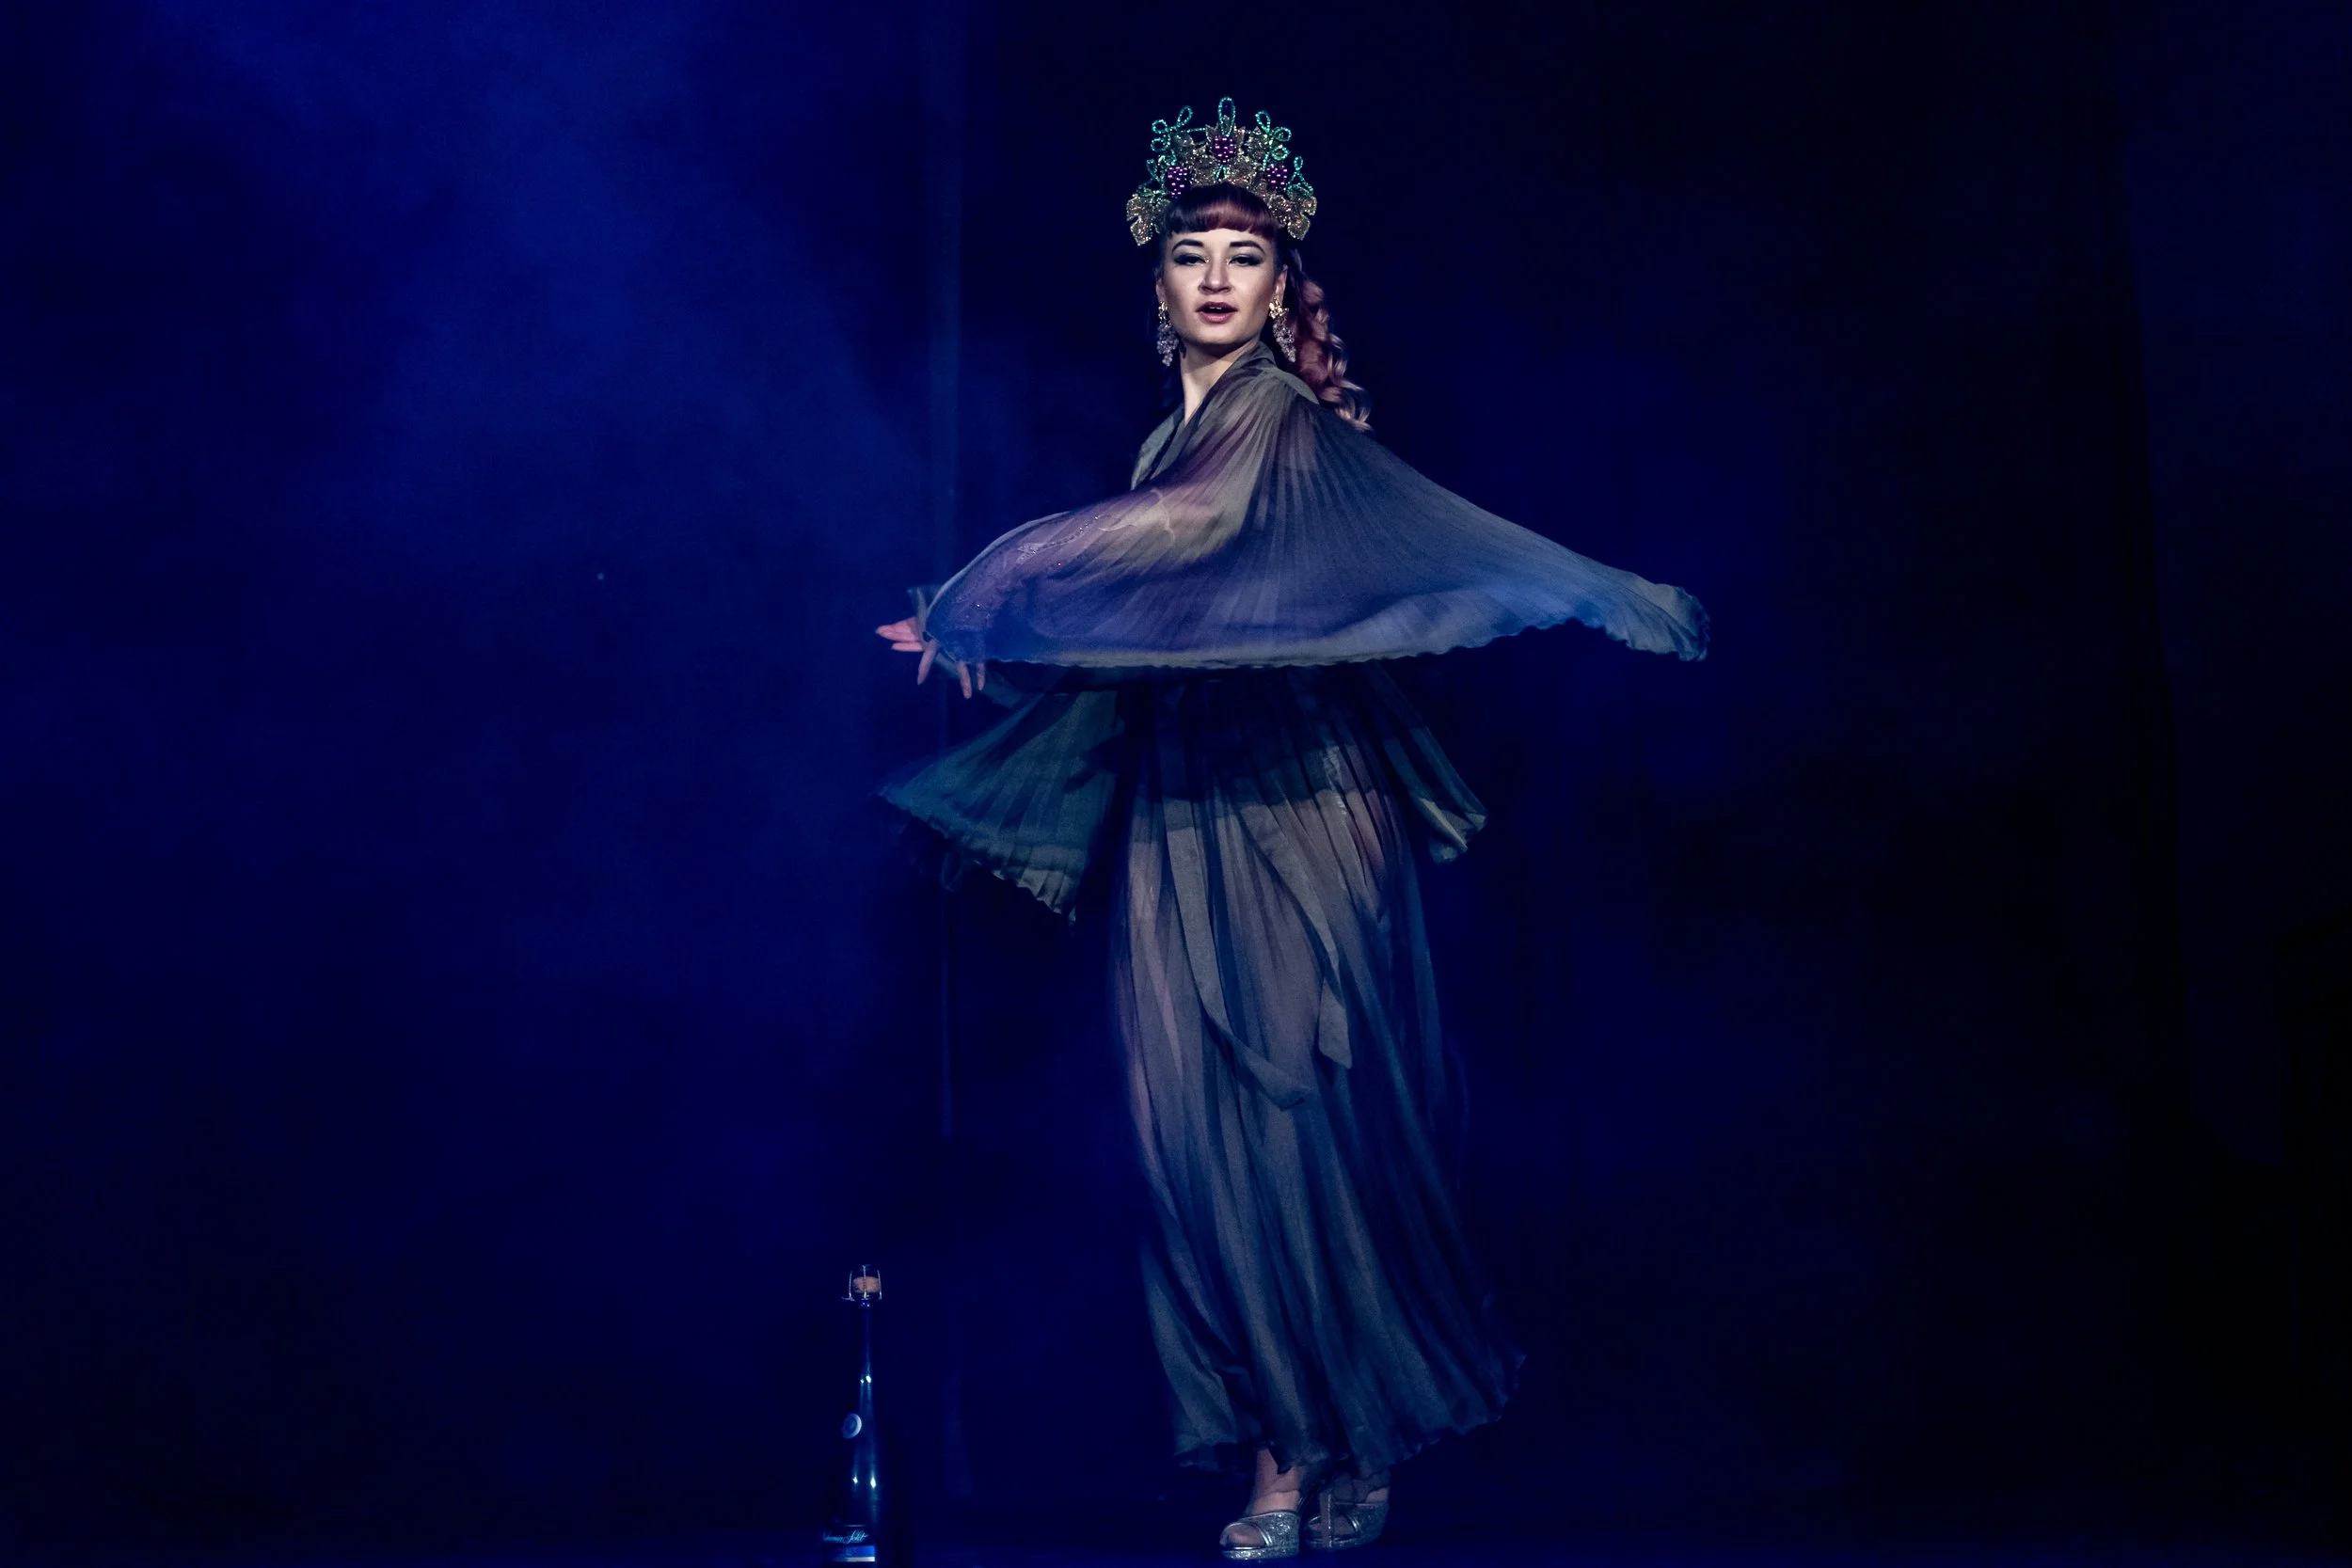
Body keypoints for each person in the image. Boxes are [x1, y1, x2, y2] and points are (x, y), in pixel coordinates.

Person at [877, 99, 1707, 1560]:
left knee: (1289, 1129)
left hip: (1299, 822)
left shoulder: (1271, 423)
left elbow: (1175, 544)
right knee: (1181, 1145)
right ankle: (1304, 1440)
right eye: (1189, 253)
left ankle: (1312, 1450)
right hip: (1183, 823)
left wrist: (994, 574)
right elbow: (1152, 624)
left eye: (1242, 257)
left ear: (1278, 289)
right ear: (1157, 284)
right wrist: (987, 633)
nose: (1212, 277)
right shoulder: (1168, 433)